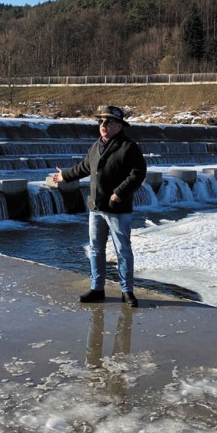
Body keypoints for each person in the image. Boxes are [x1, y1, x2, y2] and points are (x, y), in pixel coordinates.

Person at [52, 105, 147, 307]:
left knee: (123, 251)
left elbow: (138, 173)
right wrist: (65, 176)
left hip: (117, 210)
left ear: (120, 126)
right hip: (96, 208)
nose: (103, 125)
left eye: (109, 122)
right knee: (96, 250)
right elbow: (85, 167)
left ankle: (127, 291)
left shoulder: (129, 147)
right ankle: (97, 289)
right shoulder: (95, 146)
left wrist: (119, 193)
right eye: (101, 122)